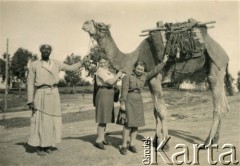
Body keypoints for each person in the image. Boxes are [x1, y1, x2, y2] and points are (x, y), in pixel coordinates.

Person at [27, 44, 89, 156]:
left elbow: (70, 68)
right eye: (44, 49)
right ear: (40, 51)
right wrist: (30, 100)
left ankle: (48, 145)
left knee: (51, 121)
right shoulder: (34, 64)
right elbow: (30, 83)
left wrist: (82, 62)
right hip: (41, 94)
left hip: (54, 93)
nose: (46, 51)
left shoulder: (56, 63)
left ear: (50, 51)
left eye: (48, 49)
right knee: (41, 120)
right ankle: (40, 146)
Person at [119, 54, 168, 155]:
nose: (140, 71)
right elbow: (123, 91)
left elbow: (155, 71)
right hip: (129, 100)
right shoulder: (127, 76)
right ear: (135, 68)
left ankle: (131, 144)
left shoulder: (145, 76)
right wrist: (122, 103)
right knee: (128, 124)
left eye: (141, 69)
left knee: (136, 124)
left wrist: (164, 62)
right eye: (138, 69)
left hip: (138, 101)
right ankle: (124, 145)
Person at [94, 55, 124, 150]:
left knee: (106, 118)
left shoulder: (107, 71)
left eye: (104, 62)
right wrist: (118, 75)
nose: (102, 64)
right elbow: (111, 82)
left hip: (109, 94)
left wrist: (117, 78)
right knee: (102, 118)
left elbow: (115, 81)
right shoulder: (100, 70)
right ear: (98, 63)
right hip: (104, 93)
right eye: (101, 62)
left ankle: (102, 138)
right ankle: (98, 140)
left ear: (107, 62)